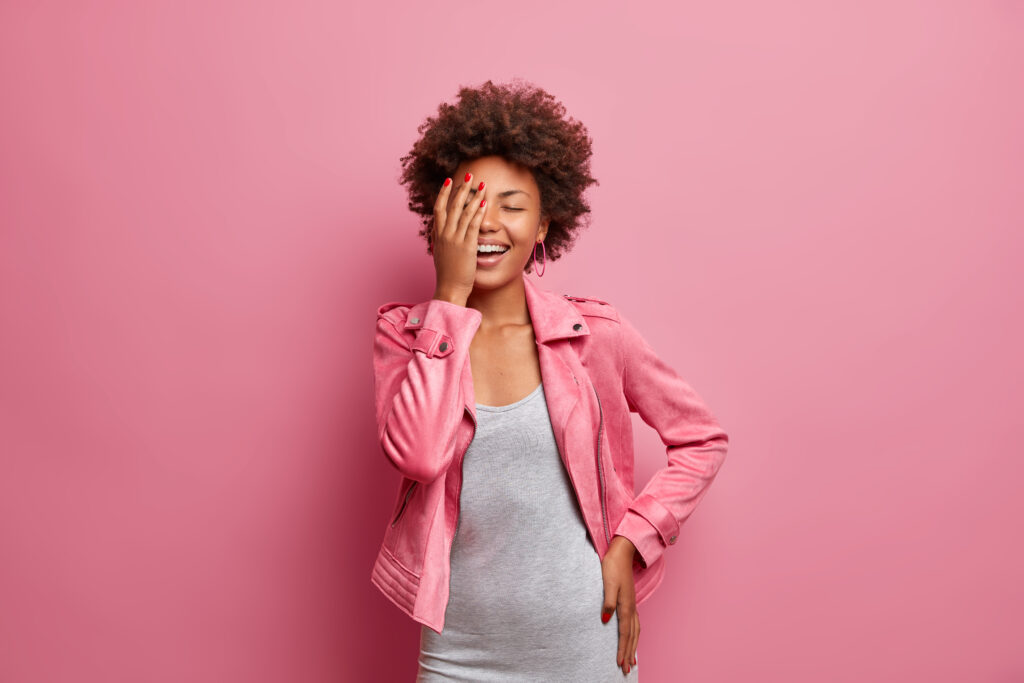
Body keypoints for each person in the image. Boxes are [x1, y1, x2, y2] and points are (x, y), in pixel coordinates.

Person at [370, 79, 730, 681]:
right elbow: (420, 456)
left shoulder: (595, 335)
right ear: (440, 215)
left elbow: (702, 439)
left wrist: (633, 540)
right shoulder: (406, 337)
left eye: (512, 206)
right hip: (459, 653)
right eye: (471, 204)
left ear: (542, 227)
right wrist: (450, 296)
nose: (490, 223)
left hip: (584, 644)